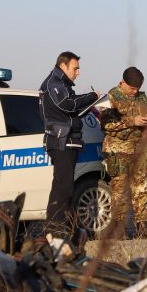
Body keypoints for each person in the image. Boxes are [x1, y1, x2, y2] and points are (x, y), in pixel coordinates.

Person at [39, 51, 100, 236]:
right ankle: (57, 230)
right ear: (63, 66)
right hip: (61, 141)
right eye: (76, 68)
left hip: (67, 140)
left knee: (61, 186)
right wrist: (92, 96)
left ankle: (55, 228)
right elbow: (67, 104)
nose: (78, 72)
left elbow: (69, 109)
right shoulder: (54, 84)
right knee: (64, 188)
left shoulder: (62, 84)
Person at [100, 66, 147, 239]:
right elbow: (106, 124)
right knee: (119, 190)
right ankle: (118, 228)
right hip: (118, 150)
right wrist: (131, 121)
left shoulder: (143, 99)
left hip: (138, 150)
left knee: (141, 188)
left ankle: (142, 226)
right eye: (131, 88)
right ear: (123, 82)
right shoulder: (111, 98)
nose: (134, 92)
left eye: (137, 89)